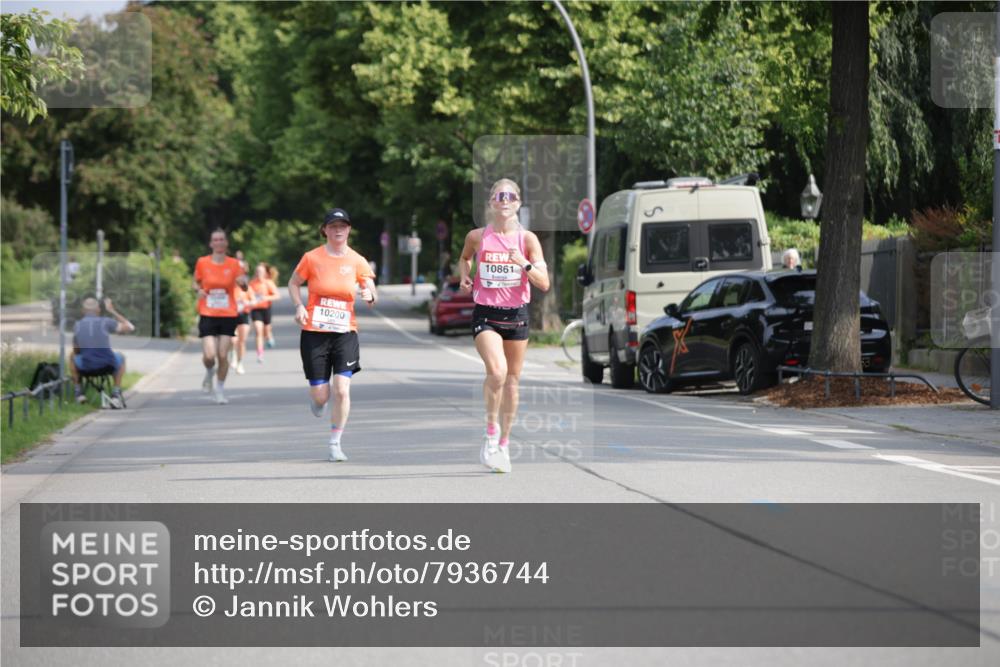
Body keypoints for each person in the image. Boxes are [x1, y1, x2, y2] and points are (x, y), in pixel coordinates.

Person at [458, 178, 550, 473]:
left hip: (517, 316)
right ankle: (490, 431)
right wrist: (465, 275)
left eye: (511, 196)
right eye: (500, 195)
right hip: (486, 313)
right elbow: (465, 258)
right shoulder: (477, 236)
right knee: (496, 372)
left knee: (511, 382)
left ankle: (505, 444)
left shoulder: (528, 240)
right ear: (492, 202)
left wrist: (523, 262)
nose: (505, 200)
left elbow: (544, 283)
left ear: (518, 203)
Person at [289, 208, 377, 462]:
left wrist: (370, 294)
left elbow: (370, 287)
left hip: (345, 332)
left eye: (343, 225)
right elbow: (294, 283)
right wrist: (298, 306)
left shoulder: (357, 260)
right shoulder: (311, 258)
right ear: (325, 230)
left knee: (342, 389)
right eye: (333, 226)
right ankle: (318, 401)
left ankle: (335, 442)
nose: (338, 230)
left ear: (349, 229)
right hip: (315, 332)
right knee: (321, 395)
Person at [193, 228, 248, 404]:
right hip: (207, 312)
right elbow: (195, 282)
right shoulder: (202, 262)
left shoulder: (234, 264)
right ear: (211, 244)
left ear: (226, 243)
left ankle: (219, 390)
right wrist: (198, 290)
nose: (218, 243)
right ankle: (209, 372)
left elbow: (244, 285)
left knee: (223, 355)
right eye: (215, 240)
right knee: (209, 355)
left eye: (221, 239)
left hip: (227, 314)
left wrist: (244, 283)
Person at [70, 297, 135, 407]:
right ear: (99, 310)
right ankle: (115, 394)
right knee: (121, 357)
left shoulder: (77, 325)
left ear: (83, 311)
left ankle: (78, 393)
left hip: (86, 367)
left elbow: (76, 350)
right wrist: (112, 310)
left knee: (72, 356)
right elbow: (130, 327)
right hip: (108, 365)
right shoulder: (106, 322)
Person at [248, 262, 280, 362]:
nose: (258, 273)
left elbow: (277, 296)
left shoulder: (268, 283)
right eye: (257, 271)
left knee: (267, 329)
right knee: (258, 330)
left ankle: (269, 337)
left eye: (261, 271)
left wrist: (265, 297)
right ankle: (260, 354)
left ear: (265, 273)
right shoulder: (252, 283)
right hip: (255, 309)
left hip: (266, 309)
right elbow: (247, 295)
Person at [232, 280, 255, 375]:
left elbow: (254, 301)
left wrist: (246, 302)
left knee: (241, 341)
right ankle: (233, 354)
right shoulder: (228, 287)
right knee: (232, 340)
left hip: (244, 315)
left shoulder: (247, 288)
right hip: (230, 316)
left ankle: (240, 363)